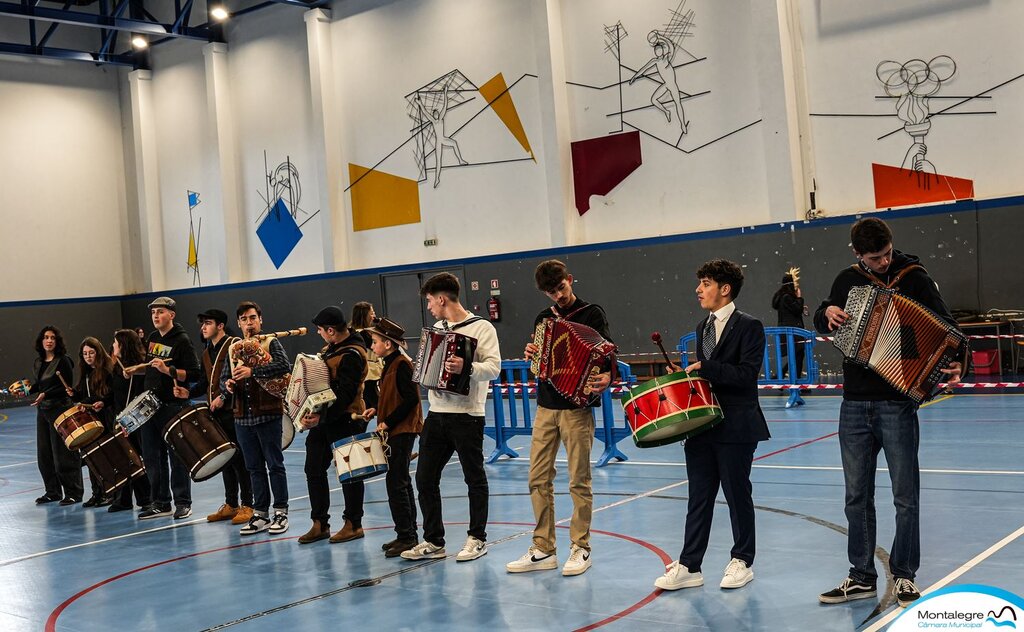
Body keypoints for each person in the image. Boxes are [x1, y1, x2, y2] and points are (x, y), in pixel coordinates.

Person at [815, 217, 962, 608]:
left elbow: (948, 328)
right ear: (857, 255)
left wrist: (955, 359)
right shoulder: (846, 280)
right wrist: (827, 312)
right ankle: (861, 575)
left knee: (905, 495)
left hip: (897, 401)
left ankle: (904, 575)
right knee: (856, 496)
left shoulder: (915, 277)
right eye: (875, 258)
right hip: (854, 403)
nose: (883, 262)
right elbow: (822, 315)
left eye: (887, 254)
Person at [655, 259, 770, 592]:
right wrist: (684, 378)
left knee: (737, 494)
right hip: (702, 425)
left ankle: (742, 560)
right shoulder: (702, 327)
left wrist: (706, 367)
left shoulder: (750, 326)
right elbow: (707, 377)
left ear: (725, 289)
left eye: (705, 283)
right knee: (698, 496)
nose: (698, 289)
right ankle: (690, 565)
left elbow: (747, 375)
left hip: (737, 425)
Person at [506, 260, 612, 577]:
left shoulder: (592, 314)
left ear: (569, 279)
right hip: (546, 406)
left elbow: (605, 353)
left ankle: (581, 547)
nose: (557, 297)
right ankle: (543, 548)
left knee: (578, 480)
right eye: (550, 292)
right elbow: (540, 363)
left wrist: (607, 375)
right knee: (538, 479)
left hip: (577, 409)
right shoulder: (544, 319)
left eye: (561, 288)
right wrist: (532, 353)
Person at [401, 273, 501, 562]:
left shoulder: (481, 328)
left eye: (431, 301)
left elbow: (494, 367)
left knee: (474, 478)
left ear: (442, 299)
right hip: (437, 414)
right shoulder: (437, 328)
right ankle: (433, 540)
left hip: (468, 415)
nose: (430, 307)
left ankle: (477, 538)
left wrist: (466, 367)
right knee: (425, 477)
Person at [297, 306, 369, 545]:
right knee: (313, 469)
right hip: (324, 420)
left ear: (331, 330)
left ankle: (353, 524)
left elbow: (346, 394)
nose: (318, 333)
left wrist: (321, 417)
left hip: (346, 419)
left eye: (320, 330)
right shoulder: (331, 349)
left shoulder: (352, 353)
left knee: (349, 474)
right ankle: (319, 523)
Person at [126, 297, 201, 520]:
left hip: (172, 406)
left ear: (171, 314)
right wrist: (136, 370)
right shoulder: (152, 338)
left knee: (177, 457)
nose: (156, 316)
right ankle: (160, 502)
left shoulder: (182, 340)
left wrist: (169, 370)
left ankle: (182, 502)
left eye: (160, 312)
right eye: (153, 313)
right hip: (150, 406)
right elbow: (152, 367)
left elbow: (194, 374)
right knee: (152, 456)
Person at [221, 301, 291, 536]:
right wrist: (228, 385)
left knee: (274, 465)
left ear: (260, 320)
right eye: (244, 319)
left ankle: (281, 512)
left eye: (252, 318)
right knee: (253, 468)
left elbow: (283, 366)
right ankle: (260, 513)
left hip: (268, 412)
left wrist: (254, 371)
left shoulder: (271, 342)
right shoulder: (233, 347)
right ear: (239, 323)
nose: (249, 323)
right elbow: (224, 379)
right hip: (242, 417)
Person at [362, 317, 423, 558]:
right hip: (395, 429)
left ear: (388, 344)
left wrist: (388, 422)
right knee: (400, 482)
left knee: (396, 483)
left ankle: (407, 536)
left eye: (375, 341)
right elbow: (393, 395)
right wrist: (378, 409)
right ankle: (405, 533)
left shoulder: (401, 364)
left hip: (402, 430)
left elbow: (410, 400)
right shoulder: (390, 363)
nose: (372, 345)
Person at [191, 309, 253, 526]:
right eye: (202, 324)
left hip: (234, 410)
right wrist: (186, 392)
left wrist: (223, 397)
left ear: (220, 326)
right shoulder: (207, 352)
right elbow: (203, 382)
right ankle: (231, 504)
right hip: (217, 413)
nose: (203, 328)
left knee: (240, 460)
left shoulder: (233, 344)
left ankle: (248, 504)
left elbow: (236, 376)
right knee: (226, 460)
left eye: (208, 323)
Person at [26, 326, 83, 506]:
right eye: (46, 337)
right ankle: (52, 491)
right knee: (44, 454)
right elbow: (39, 385)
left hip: (61, 410)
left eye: (52, 338)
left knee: (63, 455)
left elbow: (64, 388)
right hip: (43, 411)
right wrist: (26, 389)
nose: (49, 340)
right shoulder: (38, 362)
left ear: (57, 342)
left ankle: (74, 492)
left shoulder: (64, 361)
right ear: (41, 341)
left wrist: (46, 394)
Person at [108, 329, 152, 513]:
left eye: (116, 343)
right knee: (124, 459)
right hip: (120, 418)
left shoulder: (138, 368)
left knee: (137, 458)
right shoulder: (117, 367)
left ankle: (146, 498)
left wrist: (132, 376)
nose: (113, 345)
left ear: (123, 346)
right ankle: (124, 498)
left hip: (135, 421)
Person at [72, 337, 116, 508]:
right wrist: (74, 395)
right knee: (90, 457)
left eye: (91, 353)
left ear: (98, 352)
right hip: (90, 420)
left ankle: (109, 493)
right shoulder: (86, 373)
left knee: (104, 457)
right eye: (85, 354)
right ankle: (96, 493)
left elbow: (110, 394)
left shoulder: (107, 371)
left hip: (104, 418)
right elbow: (83, 395)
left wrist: (100, 401)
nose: (88, 356)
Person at [629, 30, 688, 135]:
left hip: (672, 85)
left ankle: (682, 124)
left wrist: (660, 36)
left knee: (678, 104)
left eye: (659, 50)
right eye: (656, 50)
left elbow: (671, 46)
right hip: (666, 85)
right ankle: (666, 111)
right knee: (653, 100)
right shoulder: (655, 61)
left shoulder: (666, 58)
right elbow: (644, 69)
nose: (657, 52)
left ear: (662, 51)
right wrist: (634, 77)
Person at [415, 84, 468, 188]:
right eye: (434, 114)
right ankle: (437, 179)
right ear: (433, 115)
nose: (436, 114)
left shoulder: (441, 119)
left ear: (438, 114)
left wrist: (445, 92)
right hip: (438, 142)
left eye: (436, 113)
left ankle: (460, 160)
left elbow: (445, 105)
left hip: (443, 139)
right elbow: (425, 112)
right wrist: (420, 103)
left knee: (454, 143)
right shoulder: (434, 121)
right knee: (438, 161)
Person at [771, 270, 806, 379]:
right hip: (794, 331)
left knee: (796, 355)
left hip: (786, 331)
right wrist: (800, 298)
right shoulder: (787, 297)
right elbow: (796, 310)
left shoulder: (782, 297)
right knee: (797, 355)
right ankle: (791, 380)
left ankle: (783, 376)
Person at [351, 301, 383, 410]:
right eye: (372, 313)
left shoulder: (356, 332)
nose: (374, 315)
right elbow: (379, 346)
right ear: (364, 315)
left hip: (370, 375)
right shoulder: (362, 334)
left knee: (368, 406)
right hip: (368, 375)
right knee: (378, 406)